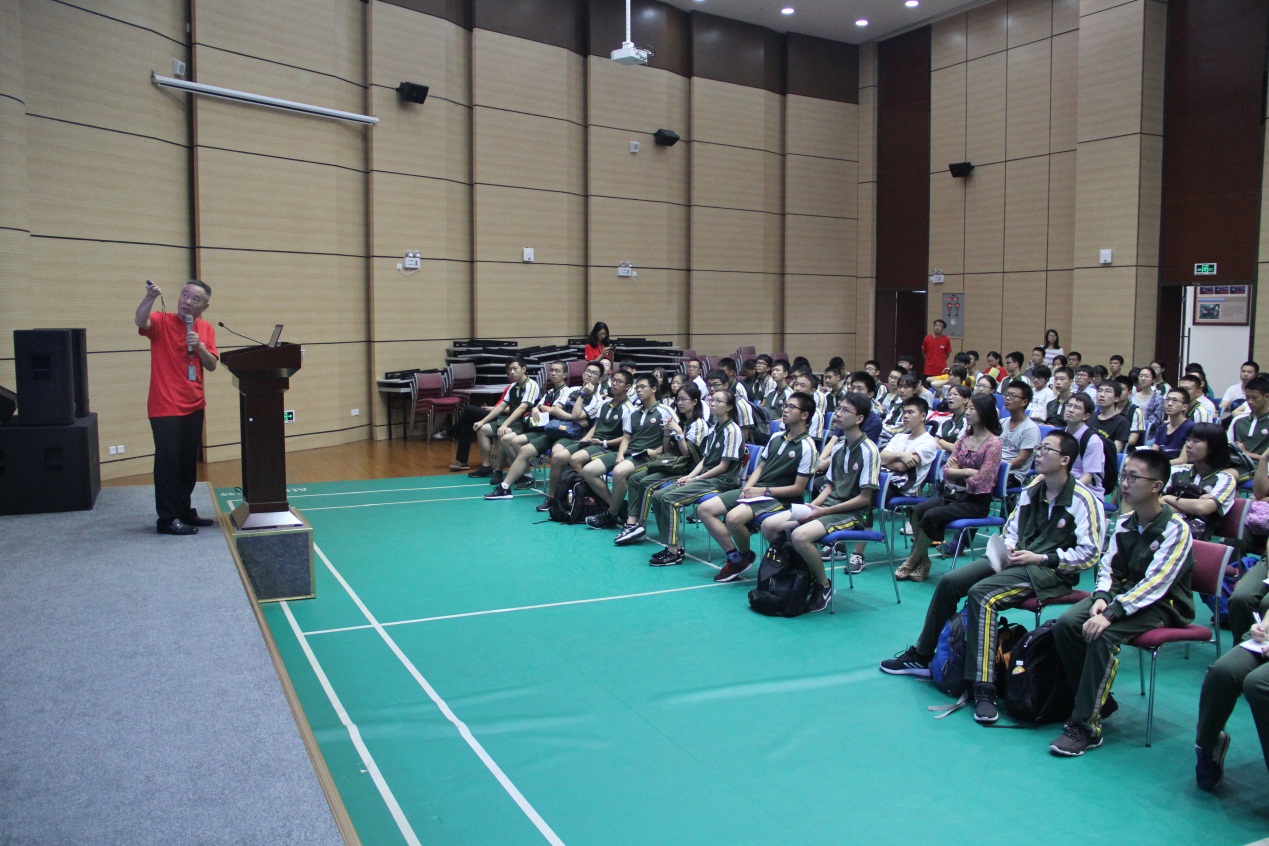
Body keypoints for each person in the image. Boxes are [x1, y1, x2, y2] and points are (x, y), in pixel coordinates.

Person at [883, 430, 1106, 728]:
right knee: (950, 582)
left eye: (1046, 449)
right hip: (1017, 561)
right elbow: (1012, 529)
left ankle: (983, 686)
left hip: (1048, 572)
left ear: (1065, 460)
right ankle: (922, 655)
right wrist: (1008, 549)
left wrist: (1042, 558)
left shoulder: (1083, 500)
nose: (1039, 453)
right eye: (1039, 447)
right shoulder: (1032, 489)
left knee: (981, 595)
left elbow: (1090, 554)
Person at [1050, 448, 1193, 756]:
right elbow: (1109, 568)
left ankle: (1086, 727)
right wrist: (1102, 597)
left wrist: (1111, 613)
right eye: (1124, 476)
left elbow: (1157, 584)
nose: (1125, 484)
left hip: (1163, 605)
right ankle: (1098, 702)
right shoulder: (1126, 522)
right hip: (1124, 596)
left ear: (1157, 486)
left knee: (1102, 634)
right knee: (1066, 625)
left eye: (1134, 477)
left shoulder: (1176, 529)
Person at [758, 394, 880, 612]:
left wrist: (823, 511)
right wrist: (812, 506)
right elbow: (830, 485)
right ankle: (802, 570)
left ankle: (823, 585)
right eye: (839, 409)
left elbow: (865, 498)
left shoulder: (869, 450)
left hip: (853, 514)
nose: (838, 414)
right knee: (769, 525)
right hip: (827, 507)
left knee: (799, 536)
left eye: (845, 411)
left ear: (859, 418)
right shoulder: (839, 447)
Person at [698, 392, 817, 582]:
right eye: (785, 406)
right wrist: (748, 488)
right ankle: (736, 558)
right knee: (704, 509)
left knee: (733, 518)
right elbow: (760, 467)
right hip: (758, 491)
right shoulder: (776, 437)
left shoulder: (807, 446)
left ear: (805, 415)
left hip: (779, 498)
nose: (785, 410)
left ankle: (744, 556)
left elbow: (798, 489)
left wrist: (763, 491)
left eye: (791, 407)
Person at [135, 279, 220, 535]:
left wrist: (199, 346)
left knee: (186, 464)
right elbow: (140, 321)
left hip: (194, 404)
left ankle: (183, 511)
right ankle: (167, 519)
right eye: (185, 295)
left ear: (204, 307)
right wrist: (150, 297)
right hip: (165, 406)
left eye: (195, 299)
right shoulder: (161, 321)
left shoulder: (205, 328)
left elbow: (212, 365)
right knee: (168, 464)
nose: (187, 301)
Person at [894, 393, 1004, 582]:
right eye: (967, 408)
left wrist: (958, 471)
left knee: (932, 515)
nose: (967, 412)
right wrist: (966, 471)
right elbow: (946, 471)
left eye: (972, 408)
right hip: (954, 495)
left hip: (975, 502)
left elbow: (981, 481)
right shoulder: (965, 437)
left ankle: (912, 560)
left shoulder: (994, 444)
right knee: (918, 510)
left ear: (984, 412)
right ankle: (924, 561)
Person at [646, 389, 745, 567]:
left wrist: (696, 479)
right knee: (658, 496)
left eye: (718, 401)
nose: (712, 404)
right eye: (712, 400)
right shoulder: (714, 428)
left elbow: (723, 467)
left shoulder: (733, 431)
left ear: (729, 407)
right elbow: (705, 459)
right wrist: (690, 476)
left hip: (721, 481)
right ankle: (672, 544)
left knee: (669, 499)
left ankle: (673, 551)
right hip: (704, 478)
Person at [613, 384, 708, 545]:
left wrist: (678, 432)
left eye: (684, 399)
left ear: (694, 401)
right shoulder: (682, 421)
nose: (680, 403)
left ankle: (639, 525)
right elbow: (667, 449)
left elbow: (687, 454)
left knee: (646, 482)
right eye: (678, 399)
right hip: (672, 463)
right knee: (635, 479)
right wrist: (666, 433)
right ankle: (632, 522)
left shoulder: (699, 424)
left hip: (686, 468)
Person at [586, 374, 675, 529]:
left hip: (647, 456)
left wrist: (657, 451)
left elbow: (675, 438)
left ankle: (611, 514)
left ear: (654, 389)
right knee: (588, 470)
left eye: (643, 387)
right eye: (637, 387)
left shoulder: (665, 411)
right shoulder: (633, 412)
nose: (639, 390)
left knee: (619, 471)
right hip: (629, 453)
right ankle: (619, 507)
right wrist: (620, 455)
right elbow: (626, 438)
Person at [465, 357, 539, 484]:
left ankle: (501, 471)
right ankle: (487, 467)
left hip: (526, 423)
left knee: (503, 433)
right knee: (482, 429)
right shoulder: (513, 386)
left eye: (515, 368)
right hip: (513, 421)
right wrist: (482, 421)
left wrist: (504, 424)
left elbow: (522, 408)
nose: (512, 372)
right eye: (510, 369)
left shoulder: (531, 385)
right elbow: (501, 407)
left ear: (523, 369)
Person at [1161, 422, 1238, 540]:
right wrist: (1191, 506)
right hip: (1164, 533)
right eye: (1188, 440)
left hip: (1196, 542)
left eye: (1196, 441)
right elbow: (1153, 501)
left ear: (1214, 446)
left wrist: (1169, 498)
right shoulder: (1176, 471)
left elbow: (1203, 508)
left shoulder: (1224, 479)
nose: (1188, 445)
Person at [1063, 394, 1106, 500]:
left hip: (1087, 492)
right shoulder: (1061, 434)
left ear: (1086, 416)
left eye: (1077, 408)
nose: (1070, 410)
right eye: (1069, 405)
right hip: (1062, 485)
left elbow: (1088, 477)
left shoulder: (1093, 441)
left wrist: (1064, 492)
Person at [1000, 381, 1040, 486]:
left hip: (1012, 474)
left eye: (1012, 396)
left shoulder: (1030, 429)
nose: (1007, 398)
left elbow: (1021, 460)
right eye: (1006, 394)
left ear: (1024, 402)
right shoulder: (1001, 422)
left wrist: (994, 467)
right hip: (993, 467)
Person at [1230, 375, 1269, 478]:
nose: (1250, 401)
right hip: (1237, 464)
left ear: (1266, 396)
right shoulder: (1238, 421)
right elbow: (1228, 446)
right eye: (1247, 398)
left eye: (1254, 398)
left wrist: (1247, 453)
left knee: (1225, 476)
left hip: (1262, 468)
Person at [1150, 387, 1195, 461]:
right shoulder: (1162, 428)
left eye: (1175, 400)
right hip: (1161, 465)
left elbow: (1182, 460)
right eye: (1167, 399)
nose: (1169, 404)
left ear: (1185, 407)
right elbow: (1153, 453)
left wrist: (1159, 465)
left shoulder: (1191, 427)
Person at [1091, 381, 1130, 453]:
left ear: (1116, 398)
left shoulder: (1122, 422)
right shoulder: (1091, 416)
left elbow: (1114, 452)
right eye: (1100, 391)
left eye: (1108, 391)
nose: (1102, 395)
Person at [1129, 364, 1164, 441]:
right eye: (1141, 376)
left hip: (1148, 435)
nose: (1143, 379)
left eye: (1146, 376)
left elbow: (1155, 421)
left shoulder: (1158, 398)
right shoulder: (1132, 396)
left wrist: (1138, 425)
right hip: (1131, 432)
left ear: (1153, 380)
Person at [933, 384, 971, 451]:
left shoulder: (968, 421)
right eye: (949, 395)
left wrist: (941, 441)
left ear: (965, 400)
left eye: (955, 394)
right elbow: (934, 442)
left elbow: (956, 448)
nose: (950, 397)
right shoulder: (946, 420)